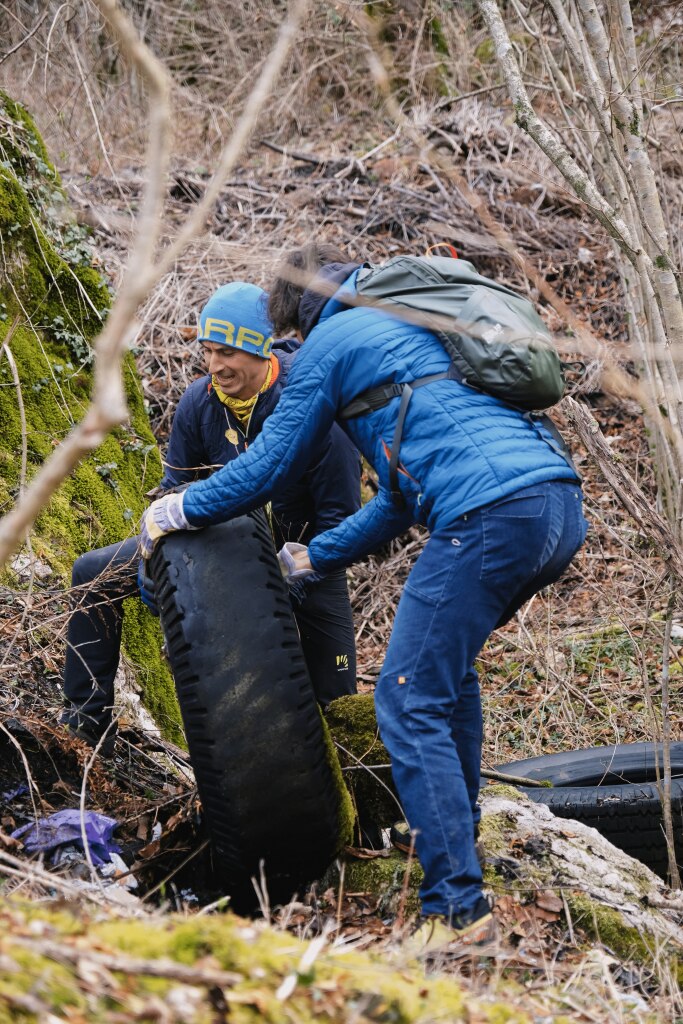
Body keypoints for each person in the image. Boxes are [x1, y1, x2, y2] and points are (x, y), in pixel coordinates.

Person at [139, 244, 588, 949]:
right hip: (554, 508)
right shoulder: (405, 330)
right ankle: (452, 831)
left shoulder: (335, 341)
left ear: (293, 317)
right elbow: (398, 499)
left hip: (489, 516)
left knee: (407, 698)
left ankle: (455, 912)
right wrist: (313, 555)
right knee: (446, 674)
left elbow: (269, 464)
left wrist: (180, 509)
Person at [61, 281, 360, 755]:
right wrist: (151, 560)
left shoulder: (311, 406)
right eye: (208, 352)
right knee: (92, 573)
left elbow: (342, 523)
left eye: (228, 353)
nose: (216, 366)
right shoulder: (199, 404)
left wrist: (294, 578)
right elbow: (171, 495)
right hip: (219, 552)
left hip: (306, 562)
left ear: (261, 350)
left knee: (340, 705)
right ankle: (84, 731)